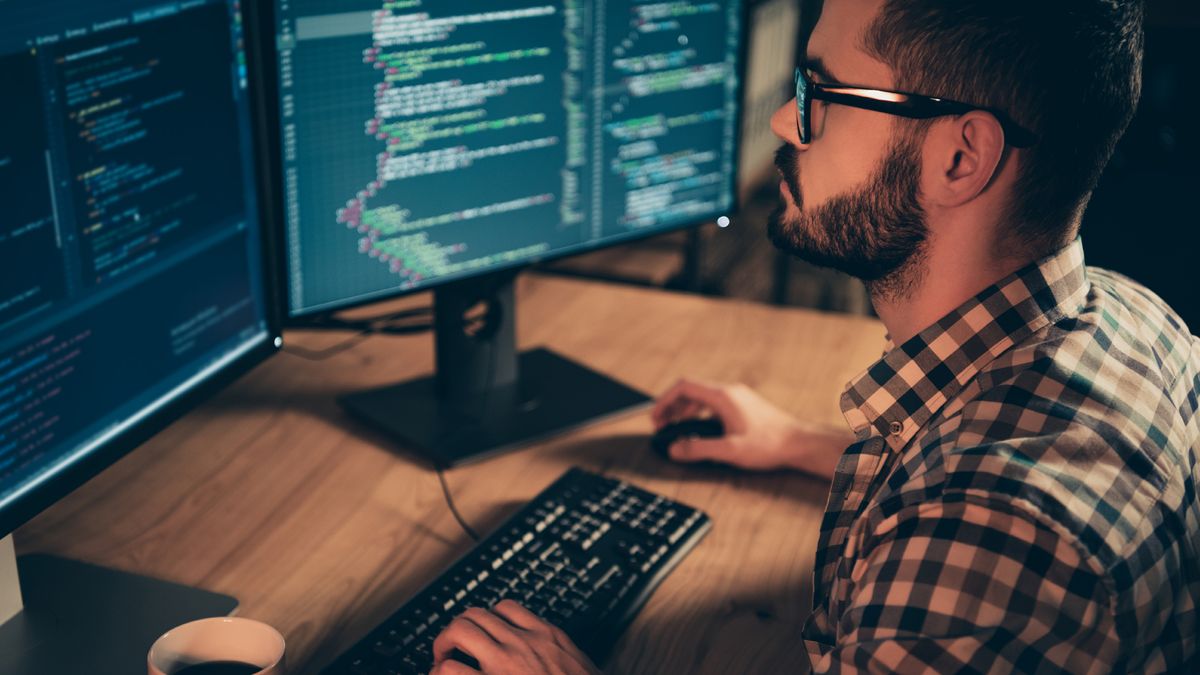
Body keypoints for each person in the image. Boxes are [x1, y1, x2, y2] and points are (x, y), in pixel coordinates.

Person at [429, 0, 1200, 672]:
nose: (782, 120)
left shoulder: (985, 547)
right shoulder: (1139, 322)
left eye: (820, 93)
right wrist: (796, 442)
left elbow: (979, 519)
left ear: (960, 157)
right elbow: (970, 476)